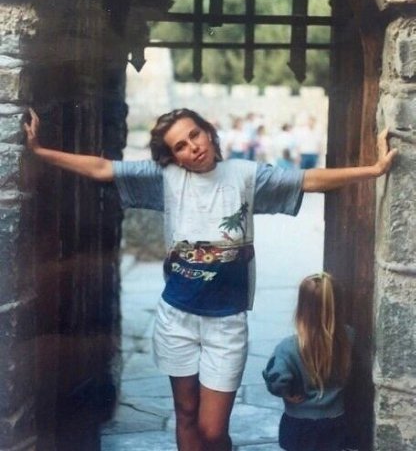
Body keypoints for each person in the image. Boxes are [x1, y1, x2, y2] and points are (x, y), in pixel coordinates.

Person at [24, 107, 396, 451]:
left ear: (208, 132)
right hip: (176, 319)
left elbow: (309, 179)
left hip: (226, 323)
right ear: (173, 156)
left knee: (214, 431)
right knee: (186, 415)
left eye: (195, 135)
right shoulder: (165, 178)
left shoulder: (246, 175)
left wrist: (374, 170)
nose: (193, 147)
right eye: (180, 146)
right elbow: (102, 169)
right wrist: (39, 151)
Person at [262, 272, 357, 451]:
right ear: (338, 307)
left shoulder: (287, 348)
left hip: (299, 424)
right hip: (335, 419)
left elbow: (276, 380)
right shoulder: (349, 338)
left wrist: (286, 393)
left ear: (301, 309)